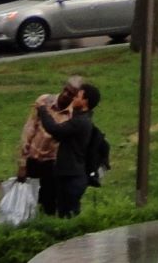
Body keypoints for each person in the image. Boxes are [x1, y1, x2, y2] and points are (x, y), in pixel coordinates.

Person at [34, 81, 106, 218]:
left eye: (77, 96)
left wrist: (43, 109)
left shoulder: (80, 122)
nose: (73, 98)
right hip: (69, 174)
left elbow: (54, 129)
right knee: (64, 212)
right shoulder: (80, 119)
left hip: (72, 176)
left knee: (68, 215)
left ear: (85, 101)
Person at [17, 75, 88, 204]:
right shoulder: (44, 100)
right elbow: (29, 129)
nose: (66, 94)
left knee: (48, 201)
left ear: (77, 97)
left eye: (71, 94)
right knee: (26, 200)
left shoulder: (73, 116)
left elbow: (57, 132)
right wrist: (22, 162)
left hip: (52, 163)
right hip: (33, 158)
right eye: (65, 90)